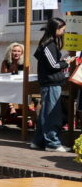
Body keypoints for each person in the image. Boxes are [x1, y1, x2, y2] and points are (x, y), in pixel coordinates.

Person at [31, 17, 71, 151]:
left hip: (50, 83)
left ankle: (38, 141)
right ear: (56, 29)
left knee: (46, 113)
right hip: (50, 83)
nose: (64, 32)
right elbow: (53, 64)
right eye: (63, 29)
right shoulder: (49, 45)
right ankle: (52, 143)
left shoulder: (48, 43)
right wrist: (66, 62)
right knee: (52, 114)